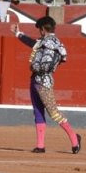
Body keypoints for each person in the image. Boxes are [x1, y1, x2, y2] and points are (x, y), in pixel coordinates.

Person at [13, 16, 81, 154]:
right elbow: (34, 44)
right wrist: (18, 34)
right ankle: (40, 145)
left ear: (43, 29)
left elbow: (47, 65)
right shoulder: (48, 42)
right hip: (36, 80)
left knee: (53, 112)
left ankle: (75, 139)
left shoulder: (51, 43)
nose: (39, 32)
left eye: (39, 30)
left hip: (43, 81)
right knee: (38, 111)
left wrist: (36, 67)